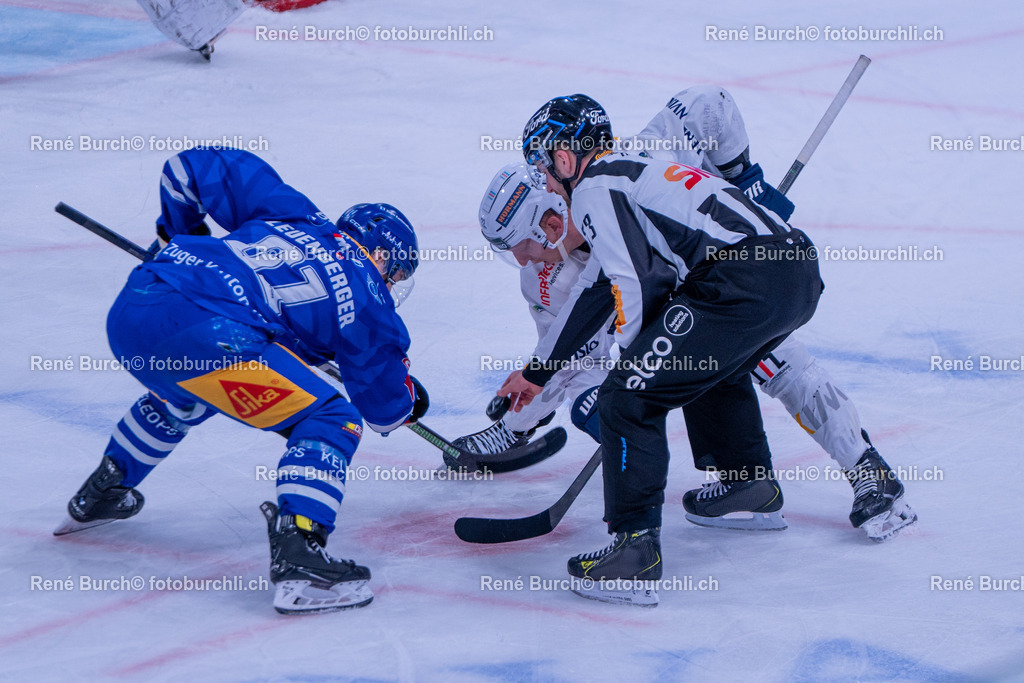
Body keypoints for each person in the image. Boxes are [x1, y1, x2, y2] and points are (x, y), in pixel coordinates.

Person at [464, 86, 916, 546]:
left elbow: (709, 103)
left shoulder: (634, 161)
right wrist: (511, 429)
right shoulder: (549, 278)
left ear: (554, 215)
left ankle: (864, 468)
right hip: (713, 297)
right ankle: (746, 483)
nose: (527, 263)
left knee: (780, 364)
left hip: (730, 277)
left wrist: (745, 185)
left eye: (525, 246)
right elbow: (567, 362)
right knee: (696, 368)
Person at [54, 148, 428, 615]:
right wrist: (412, 397)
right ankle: (301, 559)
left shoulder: (297, 214)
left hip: (135, 308)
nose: (391, 286)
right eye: (396, 275)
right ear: (381, 257)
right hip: (216, 339)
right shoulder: (371, 298)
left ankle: (105, 489)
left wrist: (180, 235)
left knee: (190, 394)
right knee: (333, 419)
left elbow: (185, 170)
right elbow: (385, 410)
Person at [496, 93, 824, 606]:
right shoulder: (638, 165)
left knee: (626, 400)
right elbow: (599, 288)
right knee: (703, 367)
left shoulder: (593, 187)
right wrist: (539, 372)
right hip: (793, 268)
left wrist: (630, 372)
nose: (547, 177)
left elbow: (637, 282)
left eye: (542, 162)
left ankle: (633, 550)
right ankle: (748, 484)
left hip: (740, 280)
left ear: (563, 157)